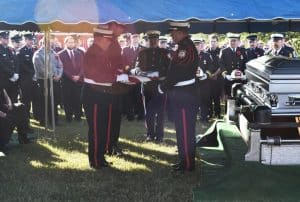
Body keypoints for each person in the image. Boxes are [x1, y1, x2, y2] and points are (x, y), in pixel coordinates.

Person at [82, 25, 128, 169]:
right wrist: (117, 77)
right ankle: (95, 161)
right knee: (96, 129)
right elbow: (96, 75)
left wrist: (119, 73)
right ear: (99, 38)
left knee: (101, 129)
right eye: (107, 39)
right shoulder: (92, 52)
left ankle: (100, 158)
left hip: (101, 94)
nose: (110, 42)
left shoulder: (101, 52)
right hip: (94, 95)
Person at [157, 22, 199, 172]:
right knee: (181, 129)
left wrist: (164, 86)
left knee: (185, 129)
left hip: (184, 95)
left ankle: (187, 164)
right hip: (182, 93)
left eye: (173, 32)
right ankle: (183, 160)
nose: (171, 35)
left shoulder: (186, 48)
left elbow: (178, 73)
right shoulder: (183, 46)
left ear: (181, 32)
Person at [134, 30, 170, 142]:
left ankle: (159, 136)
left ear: (158, 40)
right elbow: (137, 66)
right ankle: (150, 134)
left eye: (155, 39)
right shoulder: (142, 52)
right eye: (151, 39)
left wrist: (159, 75)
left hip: (160, 86)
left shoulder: (164, 52)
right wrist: (137, 71)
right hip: (147, 86)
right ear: (147, 40)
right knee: (148, 112)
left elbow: (169, 69)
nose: (153, 42)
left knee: (160, 112)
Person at [32, 36, 63, 126]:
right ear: (44, 43)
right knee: (44, 101)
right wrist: (53, 75)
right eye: (51, 43)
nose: (53, 45)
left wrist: (59, 75)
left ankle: (54, 119)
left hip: (54, 80)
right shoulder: (38, 54)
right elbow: (41, 71)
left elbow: (60, 65)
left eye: (53, 43)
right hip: (43, 82)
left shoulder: (53, 52)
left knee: (54, 101)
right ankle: (43, 120)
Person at [58, 36, 83, 122]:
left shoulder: (79, 53)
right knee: (67, 99)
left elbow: (83, 67)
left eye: (72, 42)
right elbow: (62, 68)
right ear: (65, 43)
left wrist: (79, 76)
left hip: (78, 81)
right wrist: (72, 77)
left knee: (77, 99)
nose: (71, 44)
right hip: (66, 81)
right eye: (69, 42)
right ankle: (69, 116)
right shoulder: (60, 54)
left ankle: (78, 116)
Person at [0, 86, 31, 155]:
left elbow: (6, 96)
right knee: (7, 119)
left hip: (3, 107)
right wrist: (3, 114)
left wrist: (10, 104)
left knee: (21, 107)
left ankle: (23, 136)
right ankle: (2, 144)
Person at [18, 33, 37, 132]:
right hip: (25, 81)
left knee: (33, 101)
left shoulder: (33, 50)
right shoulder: (21, 51)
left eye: (32, 40)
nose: (31, 41)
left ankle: (31, 121)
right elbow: (22, 65)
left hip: (33, 80)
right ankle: (25, 124)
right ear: (25, 40)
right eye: (29, 40)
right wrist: (33, 73)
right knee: (25, 103)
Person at [219, 33, 247, 97]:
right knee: (229, 97)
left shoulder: (242, 50)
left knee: (241, 97)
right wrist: (225, 75)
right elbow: (221, 63)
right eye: (231, 40)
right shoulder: (224, 51)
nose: (233, 42)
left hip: (240, 79)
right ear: (229, 41)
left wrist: (245, 74)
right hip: (229, 79)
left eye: (235, 40)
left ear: (238, 42)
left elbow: (246, 62)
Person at [194, 39, 214, 123]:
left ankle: (204, 117)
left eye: (198, 45)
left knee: (204, 100)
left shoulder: (207, 55)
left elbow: (211, 66)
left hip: (204, 82)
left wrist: (206, 74)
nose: (197, 46)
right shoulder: (189, 56)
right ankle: (193, 116)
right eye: (195, 45)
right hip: (193, 82)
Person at [0, 31, 19, 103]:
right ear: (1, 38)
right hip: (4, 79)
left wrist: (16, 73)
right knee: (5, 101)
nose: (7, 40)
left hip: (14, 80)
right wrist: (12, 74)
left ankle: (14, 114)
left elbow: (17, 62)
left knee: (14, 99)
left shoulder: (11, 49)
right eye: (5, 38)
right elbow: (1, 65)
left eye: (8, 38)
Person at [207, 34, 222, 119]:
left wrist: (215, 74)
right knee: (209, 97)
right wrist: (210, 75)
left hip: (218, 77)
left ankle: (218, 113)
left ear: (217, 42)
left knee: (217, 97)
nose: (212, 43)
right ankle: (210, 113)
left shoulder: (221, 51)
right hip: (208, 78)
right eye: (211, 41)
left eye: (214, 42)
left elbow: (222, 65)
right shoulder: (206, 52)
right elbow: (205, 66)